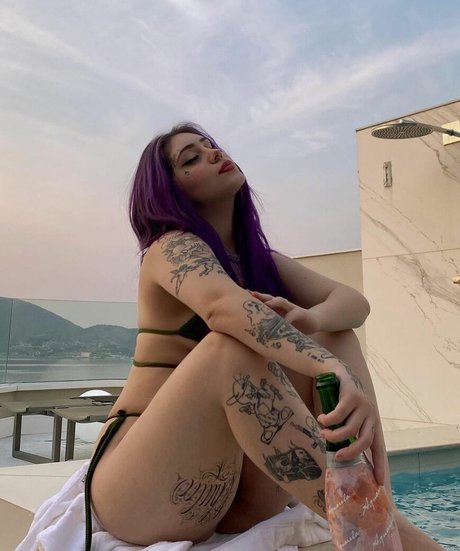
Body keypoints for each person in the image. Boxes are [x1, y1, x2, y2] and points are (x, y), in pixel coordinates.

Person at [18, 122, 443, 551]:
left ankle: (380, 506)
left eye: (211, 146)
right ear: (169, 191)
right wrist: (327, 366)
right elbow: (223, 307)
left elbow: (354, 303)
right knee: (227, 349)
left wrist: (311, 319)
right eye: (192, 157)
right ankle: (393, 537)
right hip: (139, 487)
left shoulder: (257, 258)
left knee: (337, 334)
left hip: (234, 493)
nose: (214, 154)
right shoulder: (170, 248)